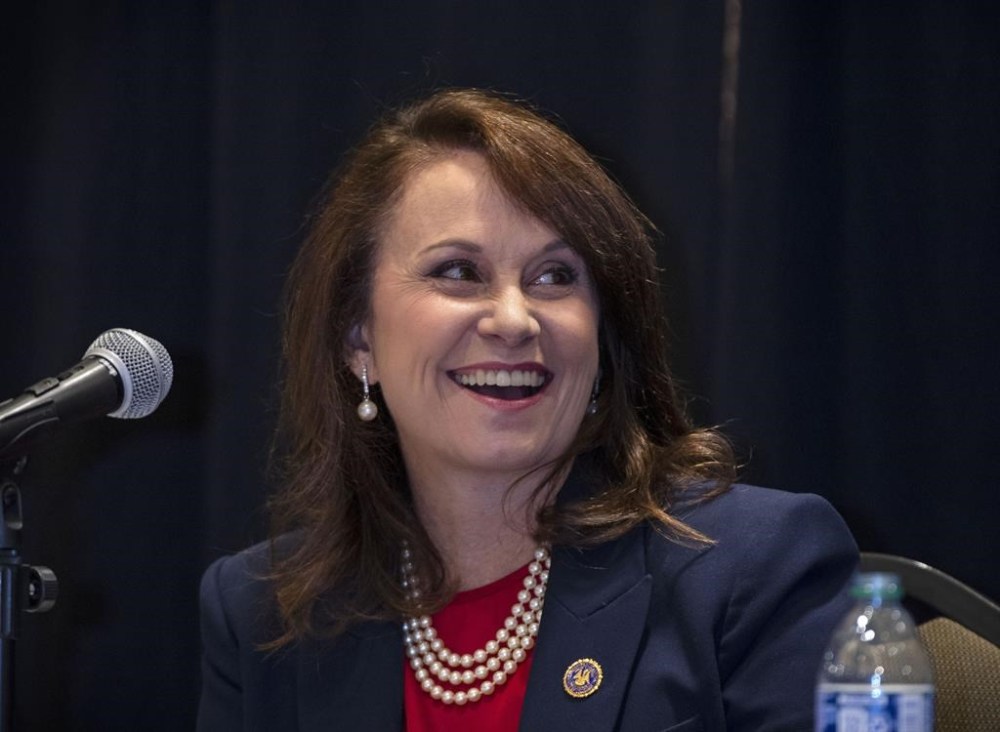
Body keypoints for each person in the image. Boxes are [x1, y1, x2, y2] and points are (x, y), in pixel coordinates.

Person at [197, 88, 858, 731]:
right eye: (458, 272)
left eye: (555, 276)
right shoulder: (264, 612)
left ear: (603, 336)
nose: (515, 319)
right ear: (357, 338)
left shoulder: (754, 566)